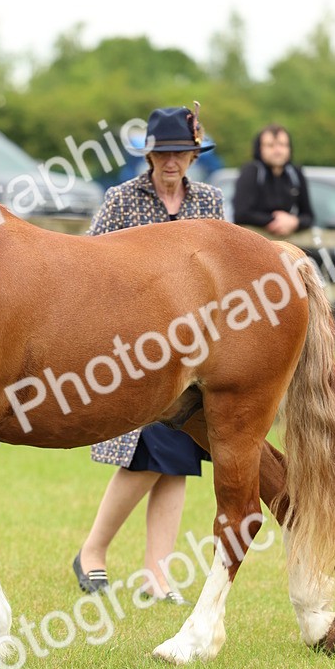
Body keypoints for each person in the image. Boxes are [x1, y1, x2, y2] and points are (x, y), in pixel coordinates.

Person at [73, 103, 224, 604]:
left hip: (194, 353)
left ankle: (155, 575)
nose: (172, 161)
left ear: (193, 154)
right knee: (151, 453)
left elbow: (226, 275)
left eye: (181, 152)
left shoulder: (210, 203)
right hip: (132, 350)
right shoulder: (120, 200)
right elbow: (88, 265)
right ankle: (93, 551)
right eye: (164, 152)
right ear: (150, 154)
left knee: (176, 458)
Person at [233, 124, 313, 237]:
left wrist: (294, 222)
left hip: (285, 245)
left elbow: (309, 216)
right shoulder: (251, 171)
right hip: (253, 242)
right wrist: (275, 220)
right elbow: (241, 214)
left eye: (282, 145)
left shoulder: (295, 173)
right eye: (270, 145)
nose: (277, 150)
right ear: (260, 149)